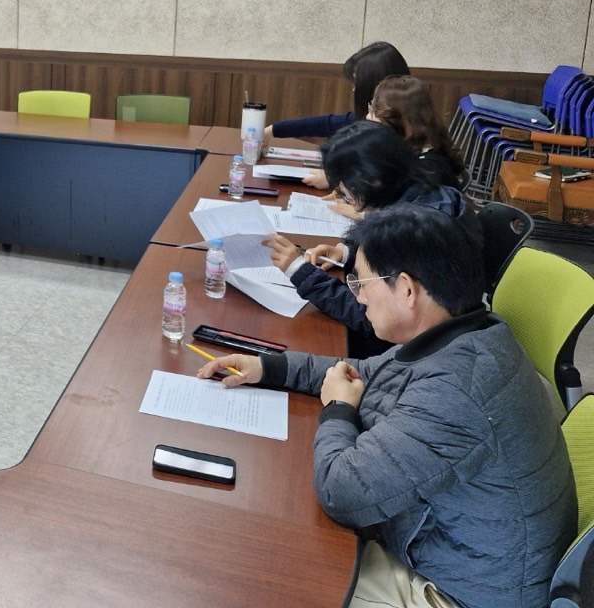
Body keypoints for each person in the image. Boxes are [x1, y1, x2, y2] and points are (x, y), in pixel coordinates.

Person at [202, 205, 575, 608]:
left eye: (361, 282)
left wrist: (338, 410)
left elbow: (341, 493)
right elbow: (363, 373)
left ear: (407, 290)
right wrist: (270, 367)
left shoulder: (458, 391)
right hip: (456, 549)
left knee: (266, 566)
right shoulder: (466, 332)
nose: (357, 295)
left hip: (460, 592)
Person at [264, 120, 480, 355]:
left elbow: (371, 318)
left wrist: (300, 272)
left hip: (399, 350)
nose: (340, 193)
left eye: (344, 188)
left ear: (374, 180)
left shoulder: (409, 230)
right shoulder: (428, 194)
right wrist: (346, 254)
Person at [265, 41, 409, 142]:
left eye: (357, 83)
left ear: (374, 84)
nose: (354, 89)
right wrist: (274, 130)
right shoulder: (375, 116)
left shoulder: (394, 128)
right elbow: (327, 124)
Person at [367, 75, 464, 189]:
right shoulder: (409, 150)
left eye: (373, 111)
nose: (368, 117)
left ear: (399, 121)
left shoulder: (428, 170)